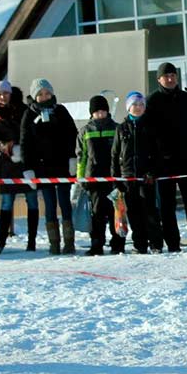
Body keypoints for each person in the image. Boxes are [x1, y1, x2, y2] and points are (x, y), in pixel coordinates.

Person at [146, 62, 187, 252]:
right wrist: (157, 155)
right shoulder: (152, 101)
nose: (170, 79)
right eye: (166, 76)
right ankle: (173, 244)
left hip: (186, 161)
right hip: (163, 164)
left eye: (173, 75)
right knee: (167, 206)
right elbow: (149, 132)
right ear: (159, 79)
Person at [20, 78, 78, 255]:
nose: (44, 97)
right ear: (34, 96)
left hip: (61, 167)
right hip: (42, 169)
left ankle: (69, 242)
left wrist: (71, 158)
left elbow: (71, 134)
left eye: (47, 93)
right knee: (50, 206)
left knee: (65, 204)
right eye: (40, 94)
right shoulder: (29, 114)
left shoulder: (60, 111)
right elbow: (25, 143)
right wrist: (27, 168)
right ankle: (54, 243)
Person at [0, 79, 39, 253]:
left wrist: (22, 148)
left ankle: (32, 241)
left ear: (11, 93)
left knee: (31, 199)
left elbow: (30, 132)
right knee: (6, 202)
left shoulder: (23, 109)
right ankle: (1, 240)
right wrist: (8, 148)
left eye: (6, 93)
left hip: (25, 160)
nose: (3, 97)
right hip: (7, 162)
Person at [112, 91, 163, 254]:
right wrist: (116, 180)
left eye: (141, 104)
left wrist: (152, 172)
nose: (138, 107)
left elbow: (157, 153)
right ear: (128, 107)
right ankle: (139, 244)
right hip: (127, 178)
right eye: (135, 104)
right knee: (134, 213)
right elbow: (114, 155)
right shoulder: (121, 129)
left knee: (150, 212)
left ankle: (156, 244)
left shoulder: (151, 126)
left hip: (146, 178)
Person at [77, 94, 124, 255]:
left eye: (103, 111)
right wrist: (81, 177)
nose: (100, 114)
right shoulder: (85, 131)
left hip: (113, 178)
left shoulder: (116, 128)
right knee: (97, 213)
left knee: (114, 212)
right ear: (92, 113)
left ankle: (118, 242)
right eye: (97, 112)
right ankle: (97, 243)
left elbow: (120, 154)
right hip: (94, 179)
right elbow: (81, 156)